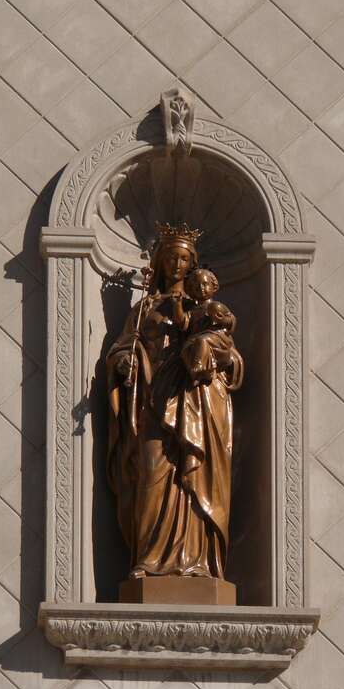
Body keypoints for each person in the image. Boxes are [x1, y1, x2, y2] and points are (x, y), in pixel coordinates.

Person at [106, 223, 243, 580]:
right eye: (171, 258)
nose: (178, 265)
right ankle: (150, 559)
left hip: (197, 399)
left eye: (184, 258)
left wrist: (216, 357)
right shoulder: (144, 308)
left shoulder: (208, 309)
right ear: (160, 262)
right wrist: (125, 360)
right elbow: (125, 345)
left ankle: (198, 562)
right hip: (154, 398)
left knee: (196, 474)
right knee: (153, 472)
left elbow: (230, 353)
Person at [171, 267, 237, 387]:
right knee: (185, 349)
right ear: (191, 290)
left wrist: (222, 319)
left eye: (205, 284)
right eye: (196, 286)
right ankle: (197, 372)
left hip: (217, 339)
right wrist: (177, 305)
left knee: (202, 341)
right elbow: (182, 323)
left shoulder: (216, 306)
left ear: (214, 286)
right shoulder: (193, 311)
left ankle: (200, 369)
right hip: (196, 340)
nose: (201, 288)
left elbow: (230, 321)